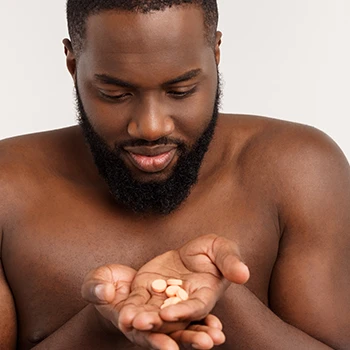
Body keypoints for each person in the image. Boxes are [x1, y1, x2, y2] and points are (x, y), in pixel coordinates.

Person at [0, 0, 349, 349]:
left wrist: (221, 298)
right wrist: (101, 325)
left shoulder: (300, 170)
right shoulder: (7, 187)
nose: (151, 127)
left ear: (215, 52)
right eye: (115, 94)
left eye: (180, 91)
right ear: (73, 63)